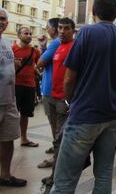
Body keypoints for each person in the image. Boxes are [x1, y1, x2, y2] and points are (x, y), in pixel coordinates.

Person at [51, 0, 116, 194]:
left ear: (92, 11)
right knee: (104, 173)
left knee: (64, 181)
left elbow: (69, 77)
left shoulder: (86, 33)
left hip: (85, 115)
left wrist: (72, 100)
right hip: (113, 114)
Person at [40, 17, 75, 189]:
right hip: (52, 97)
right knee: (56, 138)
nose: (61, 31)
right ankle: (56, 174)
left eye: (66, 28)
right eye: (60, 28)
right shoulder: (59, 46)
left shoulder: (74, 47)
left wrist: (69, 99)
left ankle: (56, 177)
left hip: (64, 100)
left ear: (72, 30)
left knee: (60, 140)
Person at [0, 8, 27, 187]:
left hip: (9, 101)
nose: (1, 21)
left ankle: (5, 175)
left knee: (8, 139)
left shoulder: (7, 42)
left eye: (3, 19)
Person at [37, 18, 61, 169]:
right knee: (56, 124)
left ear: (54, 29)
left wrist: (44, 51)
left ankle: (57, 154)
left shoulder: (56, 43)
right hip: (53, 89)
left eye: (48, 28)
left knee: (55, 124)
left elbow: (40, 63)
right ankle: (56, 147)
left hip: (51, 90)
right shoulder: (57, 44)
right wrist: (44, 47)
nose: (47, 30)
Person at [12, 26, 41, 147]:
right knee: (12, 114)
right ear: (19, 35)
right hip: (15, 86)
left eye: (30, 33)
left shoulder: (35, 51)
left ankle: (24, 138)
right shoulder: (12, 49)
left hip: (30, 86)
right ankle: (7, 140)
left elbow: (40, 65)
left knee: (25, 114)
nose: (29, 35)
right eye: (25, 33)